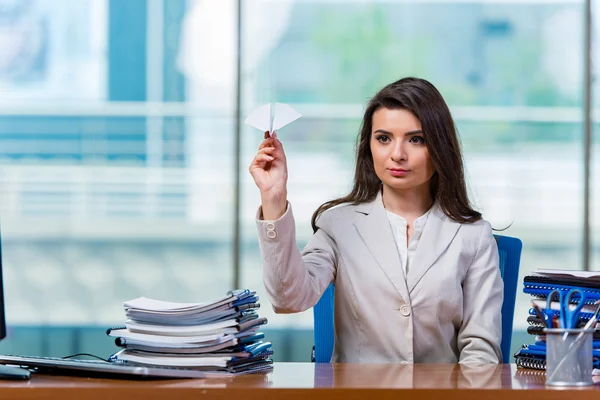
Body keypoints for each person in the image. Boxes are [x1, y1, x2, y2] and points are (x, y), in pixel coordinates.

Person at [249, 77, 503, 364]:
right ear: (369, 147)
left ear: (440, 148)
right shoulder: (339, 225)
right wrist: (273, 197)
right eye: (383, 138)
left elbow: (480, 351)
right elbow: (288, 298)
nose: (397, 154)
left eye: (416, 139)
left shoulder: (474, 236)